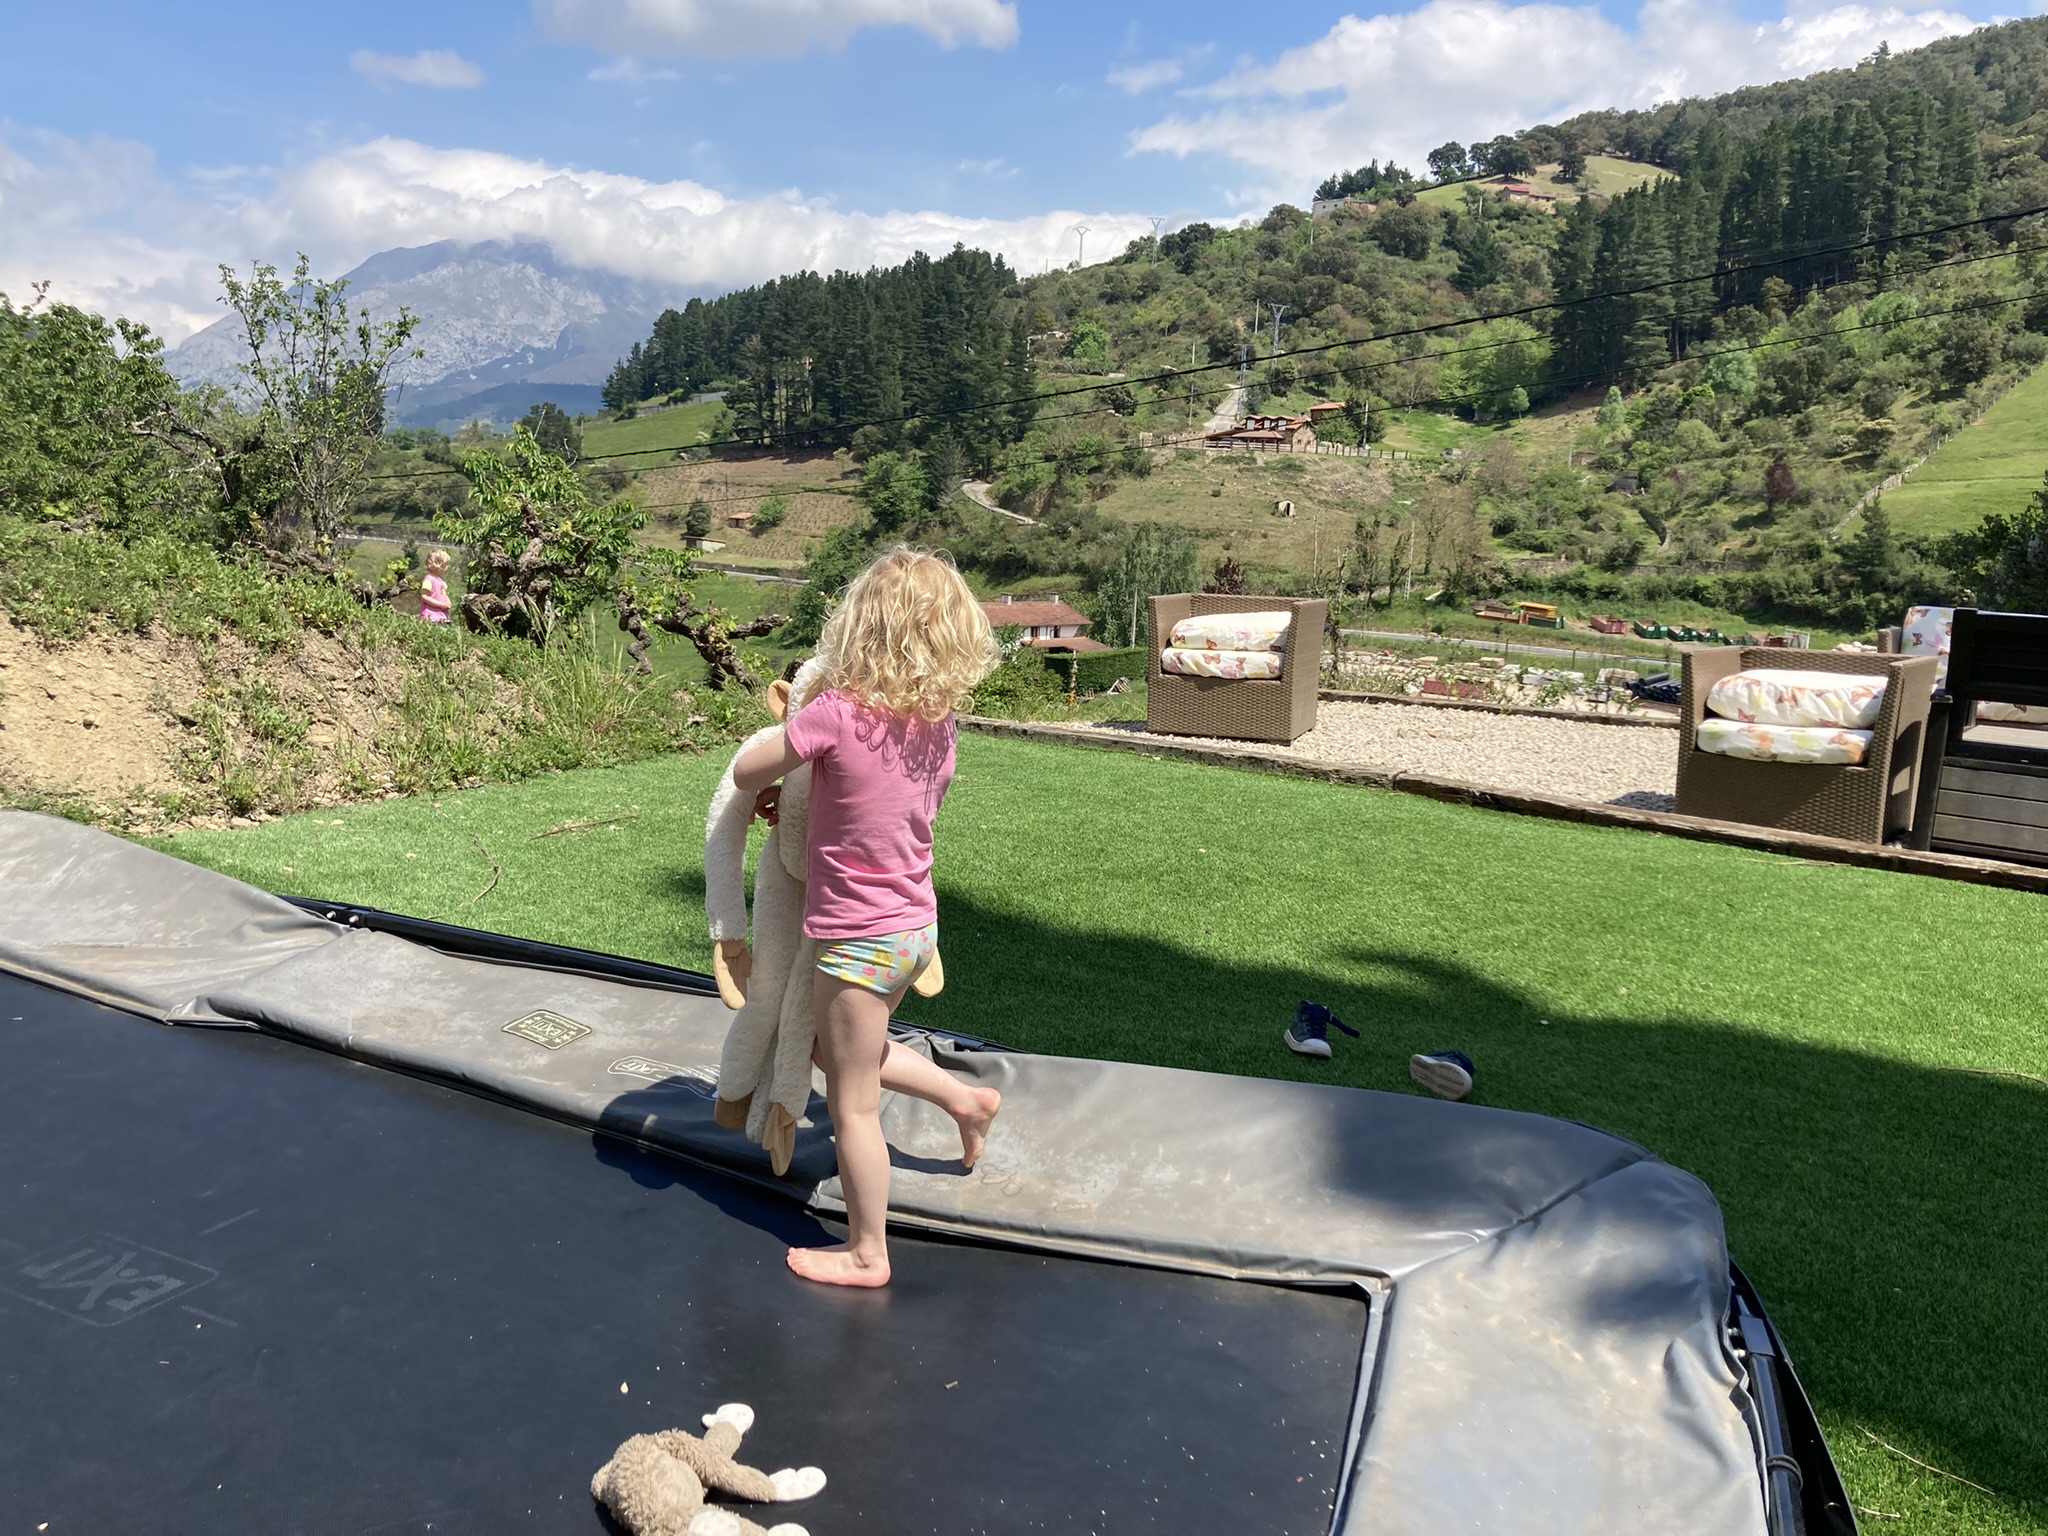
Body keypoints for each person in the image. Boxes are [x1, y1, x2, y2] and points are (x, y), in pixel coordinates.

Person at [731, 546, 1002, 1288]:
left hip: (855, 940)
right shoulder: (937, 726)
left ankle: (867, 1251)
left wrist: (783, 753)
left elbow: (750, 768)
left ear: (858, 629)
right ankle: (964, 1099)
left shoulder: (839, 713)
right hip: (913, 929)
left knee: (851, 1106)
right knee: (834, 1051)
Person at [419, 550, 453, 624]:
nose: (447, 567)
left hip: (443, 616)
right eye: (446, 565)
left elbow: (444, 594)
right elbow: (424, 596)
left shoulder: (441, 581)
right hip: (432, 617)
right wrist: (441, 605)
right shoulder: (429, 579)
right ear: (438, 565)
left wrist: (448, 603)